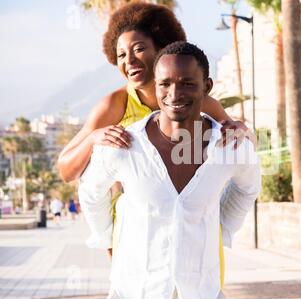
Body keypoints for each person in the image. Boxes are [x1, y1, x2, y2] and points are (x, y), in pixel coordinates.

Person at [56, 3, 255, 280]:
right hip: (135, 232)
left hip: (194, 227)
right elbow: (66, 170)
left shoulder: (201, 102)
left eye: (138, 49)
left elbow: (245, 149)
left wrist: (240, 128)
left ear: (161, 48)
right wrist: (92, 138)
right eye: (121, 54)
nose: (129, 61)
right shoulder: (116, 105)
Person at [78, 41, 261, 299]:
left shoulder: (230, 145)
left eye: (187, 83)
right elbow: (90, 191)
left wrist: (224, 227)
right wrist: (107, 237)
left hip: (201, 294)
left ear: (206, 87)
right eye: (165, 84)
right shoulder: (123, 144)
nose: (174, 94)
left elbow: (249, 187)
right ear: (155, 84)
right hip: (135, 291)